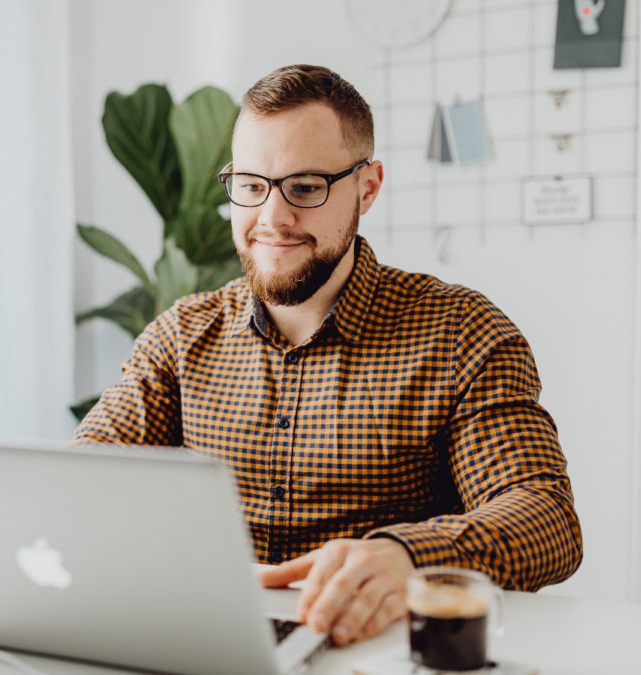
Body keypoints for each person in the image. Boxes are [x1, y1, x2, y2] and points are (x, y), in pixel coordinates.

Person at [72, 64, 582, 646]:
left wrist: (404, 555)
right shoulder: (179, 337)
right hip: (206, 646)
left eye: (306, 187)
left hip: (375, 650)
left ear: (367, 187)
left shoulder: (462, 334)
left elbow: (545, 519)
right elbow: (82, 480)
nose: (272, 218)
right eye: (250, 184)